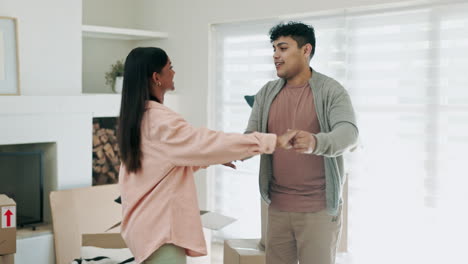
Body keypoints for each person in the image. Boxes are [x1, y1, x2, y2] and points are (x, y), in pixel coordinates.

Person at [117, 47, 297, 264]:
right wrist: (272, 141)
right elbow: (206, 142)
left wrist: (215, 158)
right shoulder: (160, 121)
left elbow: (163, 167)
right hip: (160, 232)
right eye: (170, 68)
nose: (174, 73)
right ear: (156, 77)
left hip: (145, 228)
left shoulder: (139, 118)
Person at [245, 22, 359, 264]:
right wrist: (230, 151)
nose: (276, 55)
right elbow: (250, 137)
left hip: (318, 211)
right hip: (277, 207)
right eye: (274, 48)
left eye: (283, 48)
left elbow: (349, 134)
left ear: (306, 50)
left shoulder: (331, 91)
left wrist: (315, 142)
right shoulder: (266, 93)